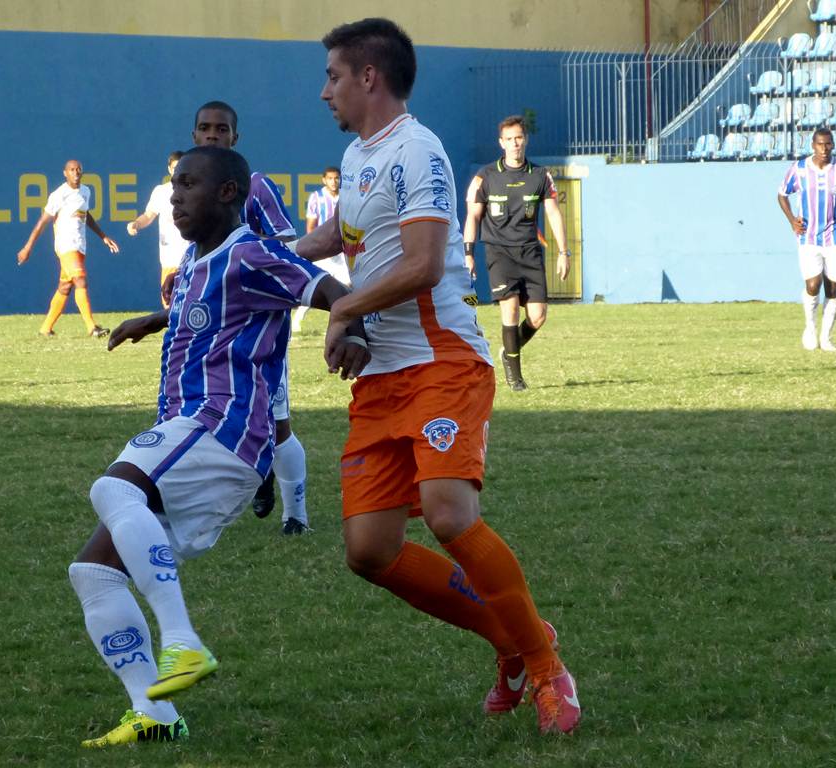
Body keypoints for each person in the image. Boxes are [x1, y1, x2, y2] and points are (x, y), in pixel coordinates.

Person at [293, 17, 580, 734]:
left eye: (332, 75)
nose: (322, 89)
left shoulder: (418, 151)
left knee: (449, 512)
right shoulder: (359, 155)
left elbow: (422, 265)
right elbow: (337, 239)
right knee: (370, 551)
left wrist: (340, 312)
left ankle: (547, 668)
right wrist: (261, 263)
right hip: (380, 378)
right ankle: (509, 641)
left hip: (441, 363)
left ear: (369, 77)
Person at [68, 145, 368, 748]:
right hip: (197, 433)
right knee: (94, 572)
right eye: (174, 186)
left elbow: (330, 288)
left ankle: (182, 639)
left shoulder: (249, 253)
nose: (175, 196)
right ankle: (154, 716)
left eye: (188, 186)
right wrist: (151, 321)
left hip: (223, 425)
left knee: (113, 487)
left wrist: (350, 326)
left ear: (228, 194)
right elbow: (200, 310)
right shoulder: (197, 263)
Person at [188, 100, 311, 536]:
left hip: (255, 328)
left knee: (276, 423)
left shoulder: (255, 185)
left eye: (222, 129)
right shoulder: (190, 185)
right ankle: (229, 489)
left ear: (236, 138)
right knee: (199, 414)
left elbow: (285, 243)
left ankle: (295, 515)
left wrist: (248, 269)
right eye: (205, 128)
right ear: (194, 135)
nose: (213, 136)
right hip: (207, 329)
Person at [462, 115, 570, 391]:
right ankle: (515, 378)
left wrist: (563, 252)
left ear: (526, 140)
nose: (515, 143)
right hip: (500, 253)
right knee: (509, 308)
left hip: (531, 253)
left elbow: (554, 213)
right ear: (501, 143)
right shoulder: (485, 177)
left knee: (538, 317)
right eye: (509, 139)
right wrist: (469, 252)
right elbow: (473, 216)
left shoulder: (540, 175)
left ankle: (510, 350)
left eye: (519, 138)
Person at [777, 127, 836, 352]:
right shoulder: (799, 169)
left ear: (833, 145)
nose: (825, 148)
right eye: (820, 144)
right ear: (813, 145)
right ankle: (810, 328)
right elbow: (782, 194)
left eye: (829, 144)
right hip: (808, 236)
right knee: (813, 285)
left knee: (832, 288)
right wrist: (792, 220)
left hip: (834, 236)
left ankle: (826, 338)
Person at [17, 159, 120, 338]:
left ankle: (45, 328)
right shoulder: (59, 195)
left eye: (78, 169)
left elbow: (85, 215)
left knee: (65, 286)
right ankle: (91, 327)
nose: (76, 172)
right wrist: (28, 247)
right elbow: (42, 222)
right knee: (80, 280)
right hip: (65, 245)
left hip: (80, 245)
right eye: (71, 170)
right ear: (65, 173)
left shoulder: (86, 191)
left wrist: (103, 236)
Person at [127, 150, 189, 308]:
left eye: (181, 167)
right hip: (170, 257)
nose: (177, 171)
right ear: (169, 169)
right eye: (174, 167)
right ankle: (174, 331)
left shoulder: (194, 190)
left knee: (192, 299)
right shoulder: (161, 191)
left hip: (192, 254)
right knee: (169, 300)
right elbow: (148, 215)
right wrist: (136, 224)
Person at [292, 166, 349, 332]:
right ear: (324, 180)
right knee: (317, 283)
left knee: (347, 284)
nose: (334, 182)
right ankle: (298, 319)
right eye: (330, 178)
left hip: (341, 250)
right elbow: (311, 226)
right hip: (323, 250)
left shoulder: (345, 197)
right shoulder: (316, 198)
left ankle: (342, 322)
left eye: (336, 178)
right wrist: (316, 248)